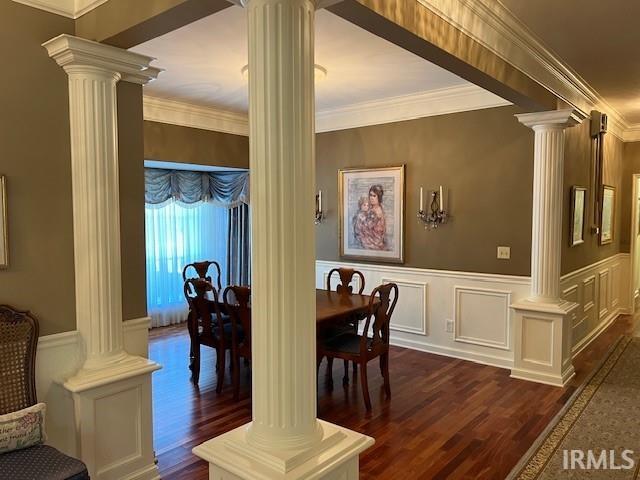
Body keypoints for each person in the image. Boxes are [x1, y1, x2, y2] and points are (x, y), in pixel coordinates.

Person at [353, 184, 386, 250]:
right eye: (370, 195)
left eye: (374, 196)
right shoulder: (370, 207)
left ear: (379, 197)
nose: (371, 197)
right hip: (365, 239)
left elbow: (368, 228)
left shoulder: (378, 211)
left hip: (373, 242)